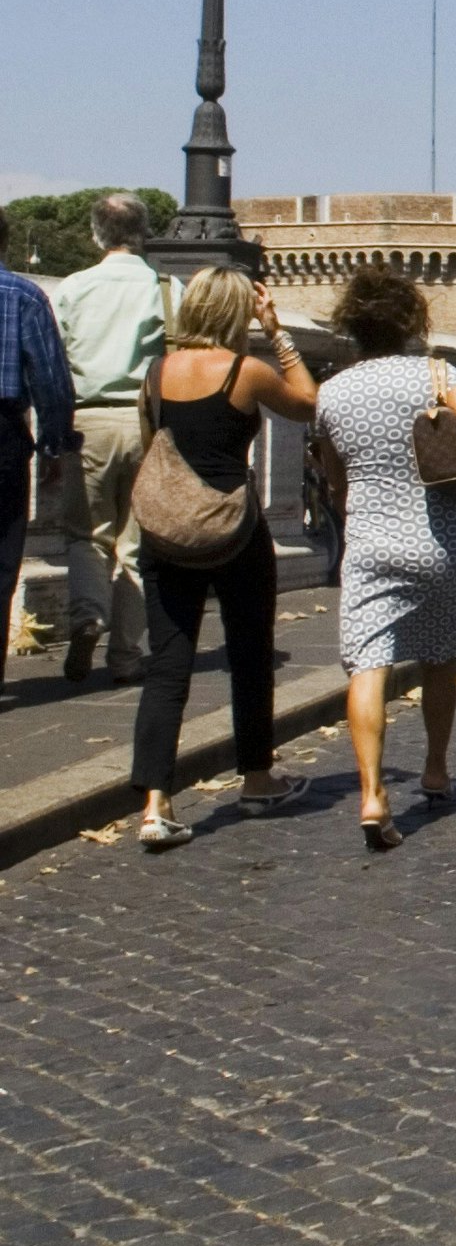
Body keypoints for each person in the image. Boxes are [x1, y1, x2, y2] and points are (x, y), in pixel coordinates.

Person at [129, 269, 320, 848]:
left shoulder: (156, 373)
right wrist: (278, 331)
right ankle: (258, 779)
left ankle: (155, 805)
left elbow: (150, 447)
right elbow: (307, 403)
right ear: (236, 313)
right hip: (235, 531)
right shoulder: (247, 371)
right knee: (249, 654)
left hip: (167, 532)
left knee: (168, 666)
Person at [313, 268, 456, 848]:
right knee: (441, 659)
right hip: (435, 539)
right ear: (411, 321)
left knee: (368, 668)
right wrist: (446, 399)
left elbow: (336, 479)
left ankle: (372, 794)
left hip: (368, 542)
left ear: (351, 326)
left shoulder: (332, 392)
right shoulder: (437, 373)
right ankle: (436, 768)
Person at [50, 192, 166, 684]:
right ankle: (124, 657)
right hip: (143, 423)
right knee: (135, 545)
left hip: (87, 419)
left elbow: (55, 364)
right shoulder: (166, 289)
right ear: (143, 233)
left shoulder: (73, 288)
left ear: (96, 234)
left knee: (85, 536)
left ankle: (87, 617)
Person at [0, 211, 77, 715]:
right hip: (3, 434)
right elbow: (50, 381)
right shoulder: (23, 296)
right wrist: (54, 444)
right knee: (2, 562)